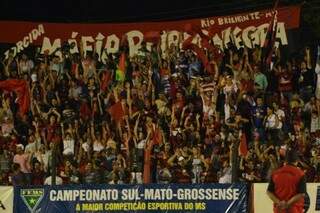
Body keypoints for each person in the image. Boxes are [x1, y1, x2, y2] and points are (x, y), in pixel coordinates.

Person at [267, 149, 306, 213]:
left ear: (285, 161)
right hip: (294, 210)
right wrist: (287, 204)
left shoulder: (275, 173)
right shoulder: (300, 174)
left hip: (279, 209)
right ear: (297, 161)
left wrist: (279, 202)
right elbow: (301, 193)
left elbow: (269, 191)